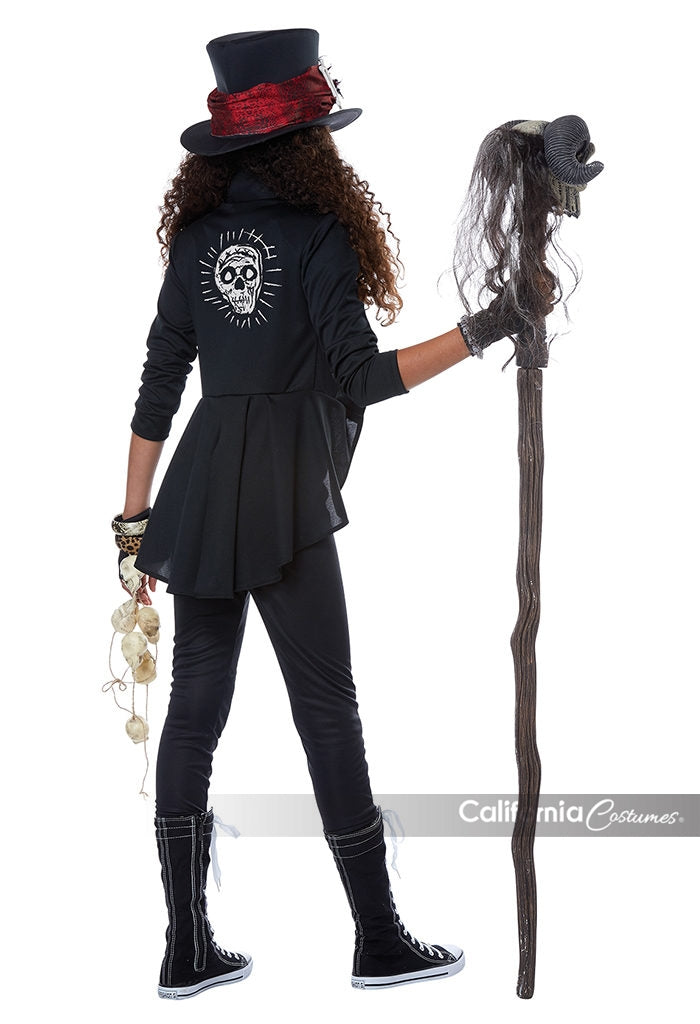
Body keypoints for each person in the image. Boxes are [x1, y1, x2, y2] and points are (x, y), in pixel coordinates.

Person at [113, 28, 532, 1001]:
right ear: (310, 142)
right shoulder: (319, 235)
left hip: (198, 493)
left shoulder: (196, 241)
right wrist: (485, 328)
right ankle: (378, 939)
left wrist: (132, 529)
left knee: (193, 713)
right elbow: (362, 379)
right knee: (328, 712)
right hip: (285, 497)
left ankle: (185, 949)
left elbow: (158, 388)